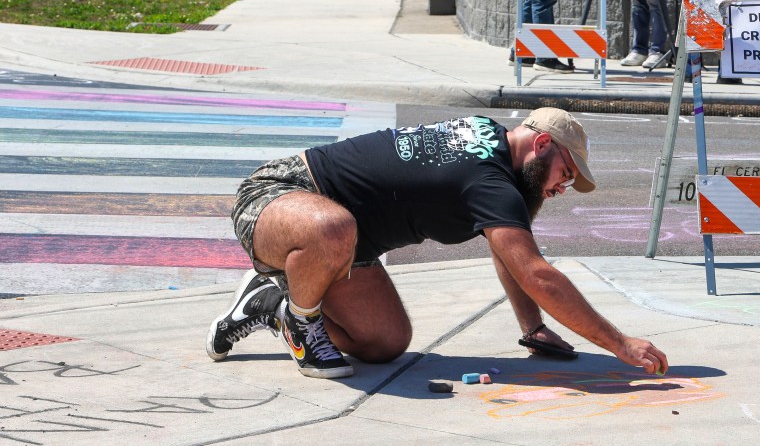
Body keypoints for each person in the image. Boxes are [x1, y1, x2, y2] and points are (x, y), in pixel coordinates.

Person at [206, 108, 669, 379]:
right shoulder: (490, 181)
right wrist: (619, 343)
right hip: (277, 196)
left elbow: (511, 253)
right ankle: (301, 322)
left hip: (346, 242)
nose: (560, 189)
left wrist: (532, 328)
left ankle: (270, 303)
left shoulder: (496, 152)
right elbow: (537, 273)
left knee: (385, 343)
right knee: (333, 228)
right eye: (564, 175)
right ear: (542, 144)